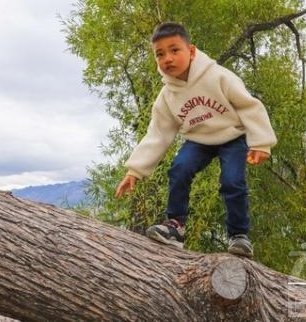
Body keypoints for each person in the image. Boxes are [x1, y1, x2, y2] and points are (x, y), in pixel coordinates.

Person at [114, 22, 277, 258]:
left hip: (232, 135)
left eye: (174, 50)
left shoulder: (219, 77)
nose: (167, 58)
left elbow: (249, 106)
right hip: (198, 139)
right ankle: (175, 227)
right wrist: (134, 171)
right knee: (180, 168)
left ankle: (239, 236)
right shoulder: (167, 95)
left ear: (191, 51)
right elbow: (158, 134)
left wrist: (261, 143)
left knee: (232, 180)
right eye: (160, 54)